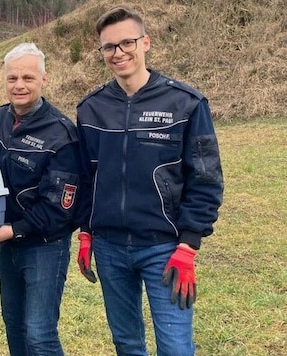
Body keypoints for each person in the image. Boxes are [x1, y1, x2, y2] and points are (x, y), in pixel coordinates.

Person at [75, 6, 224, 355]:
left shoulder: (186, 103)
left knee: (174, 346)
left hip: (165, 249)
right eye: (108, 47)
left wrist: (188, 246)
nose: (118, 53)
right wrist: (85, 230)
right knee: (127, 344)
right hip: (110, 248)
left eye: (126, 42)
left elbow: (206, 178)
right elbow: (85, 177)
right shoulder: (91, 109)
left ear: (146, 43)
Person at [0, 42, 92, 355]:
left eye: (27, 77)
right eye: (12, 78)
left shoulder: (61, 135)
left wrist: (10, 230)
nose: (19, 85)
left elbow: (60, 210)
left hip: (43, 246)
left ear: (44, 79)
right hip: (7, 242)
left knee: (39, 334)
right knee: (14, 323)